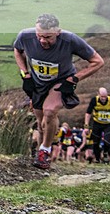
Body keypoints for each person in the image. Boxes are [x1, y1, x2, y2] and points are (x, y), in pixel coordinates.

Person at [14, 13, 105, 169]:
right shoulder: (25, 36)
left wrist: (74, 79)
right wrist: (25, 74)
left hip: (61, 82)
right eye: (39, 36)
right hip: (38, 84)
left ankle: (45, 150)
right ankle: (40, 153)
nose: (43, 41)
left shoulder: (70, 40)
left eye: (48, 37)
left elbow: (98, 62)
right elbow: (18, 51)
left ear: (58, 32)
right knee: (41, 122)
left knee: (50, 112)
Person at [84, 87, 110, 163]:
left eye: (105, 96)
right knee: (95, 142)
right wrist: (86, 126)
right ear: (98, 94)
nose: (103, 98)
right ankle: (97, 159)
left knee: (107, 141)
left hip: (108, 124)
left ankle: (105, 153)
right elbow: (88, 113)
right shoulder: (94, 100)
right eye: (102, 96)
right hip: (97, 123)